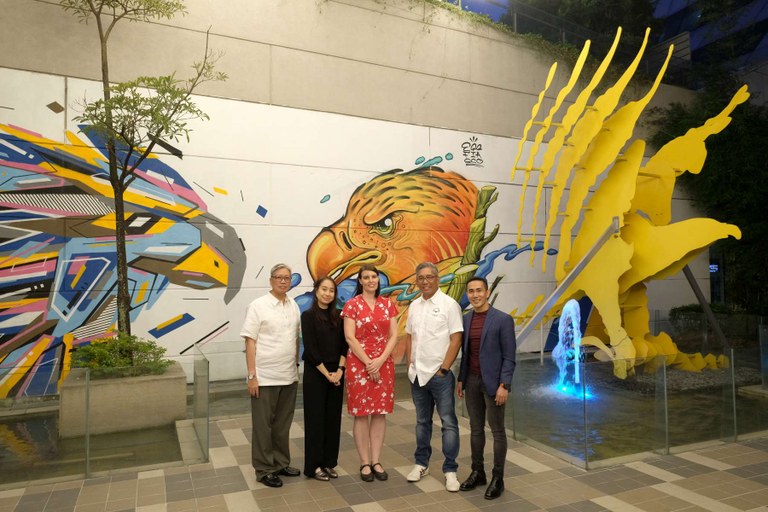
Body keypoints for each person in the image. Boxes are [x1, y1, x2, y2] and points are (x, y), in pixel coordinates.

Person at [240, 263, 301, 488]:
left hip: (288, 375)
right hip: (264, 377)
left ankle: (281, 463)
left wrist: (295, 366)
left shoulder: (293, 305)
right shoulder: (258, 306)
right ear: (271, 280)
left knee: (282, 425)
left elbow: (296, 339)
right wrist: (252, 376)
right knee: (263, 426)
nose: (283, 281)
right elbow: (250, 341)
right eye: (279, 277)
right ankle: (264, 469)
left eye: (287, 278)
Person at [405, 261, 463, 492]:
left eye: (430, 277)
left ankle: (450, 470)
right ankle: (421, 464)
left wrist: (444, 369)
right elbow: (409, 335)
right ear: (417, 281)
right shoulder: (414, 305)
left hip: (440, 376)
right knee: (422, 422)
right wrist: (410, 363)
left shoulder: (449, 305)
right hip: (417, 375)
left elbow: (456, 338)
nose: (425, 281)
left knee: (448, 423)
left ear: (437, 279)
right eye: (421, 278)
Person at [457, 276, 517, 500]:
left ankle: (498, 478)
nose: (475, 295)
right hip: (472, 381)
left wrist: (504, 385)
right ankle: (478, 472)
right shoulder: (466, 319)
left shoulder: (503, 319)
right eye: (471, 291)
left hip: (494, 384)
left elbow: (509, 357)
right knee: (475, 429)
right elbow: (466, 353)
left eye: (479, 290)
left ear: (487, 292)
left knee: (497, 431)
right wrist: (461, 379)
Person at [341, 264, 399, 483]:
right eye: (366, 277)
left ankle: (376, 460)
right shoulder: (352, 305)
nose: (371, 280)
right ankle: (364, 462)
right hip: (359, 364)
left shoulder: (388, 304)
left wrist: (380, 360)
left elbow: (394, 335)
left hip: (384, 363)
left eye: (374, 276)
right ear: (360, 281)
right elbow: (349, 337)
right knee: (361, 413)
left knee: (379, 413)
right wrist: (368, 363)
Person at [301, 276, 347, 481]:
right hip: (316, 373)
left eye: (331, 290)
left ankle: (329, 463)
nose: (327, 294)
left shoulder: (339, 316)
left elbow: (345, 346)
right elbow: (310, 349)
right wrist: (326, 373)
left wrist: (340, 371)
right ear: (316, 290)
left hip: (336, 374)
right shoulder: (308, 316)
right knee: (315, 421)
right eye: (324, 289)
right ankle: (314, 466)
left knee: (333, 420)